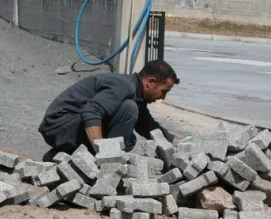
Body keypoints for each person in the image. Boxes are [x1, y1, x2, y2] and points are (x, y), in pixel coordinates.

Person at [39, 60, 180, 154]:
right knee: (129, 109)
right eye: (164, 91)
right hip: (59, 125)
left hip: (63, 126)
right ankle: (105, 163)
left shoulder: (135, 92)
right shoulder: (125, 87)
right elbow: (92, 111)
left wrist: (181, 143)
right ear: (150, 82)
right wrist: (104, 155)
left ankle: (60, 156)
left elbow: (147, 126)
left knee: (129, 139)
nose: (163, 97)